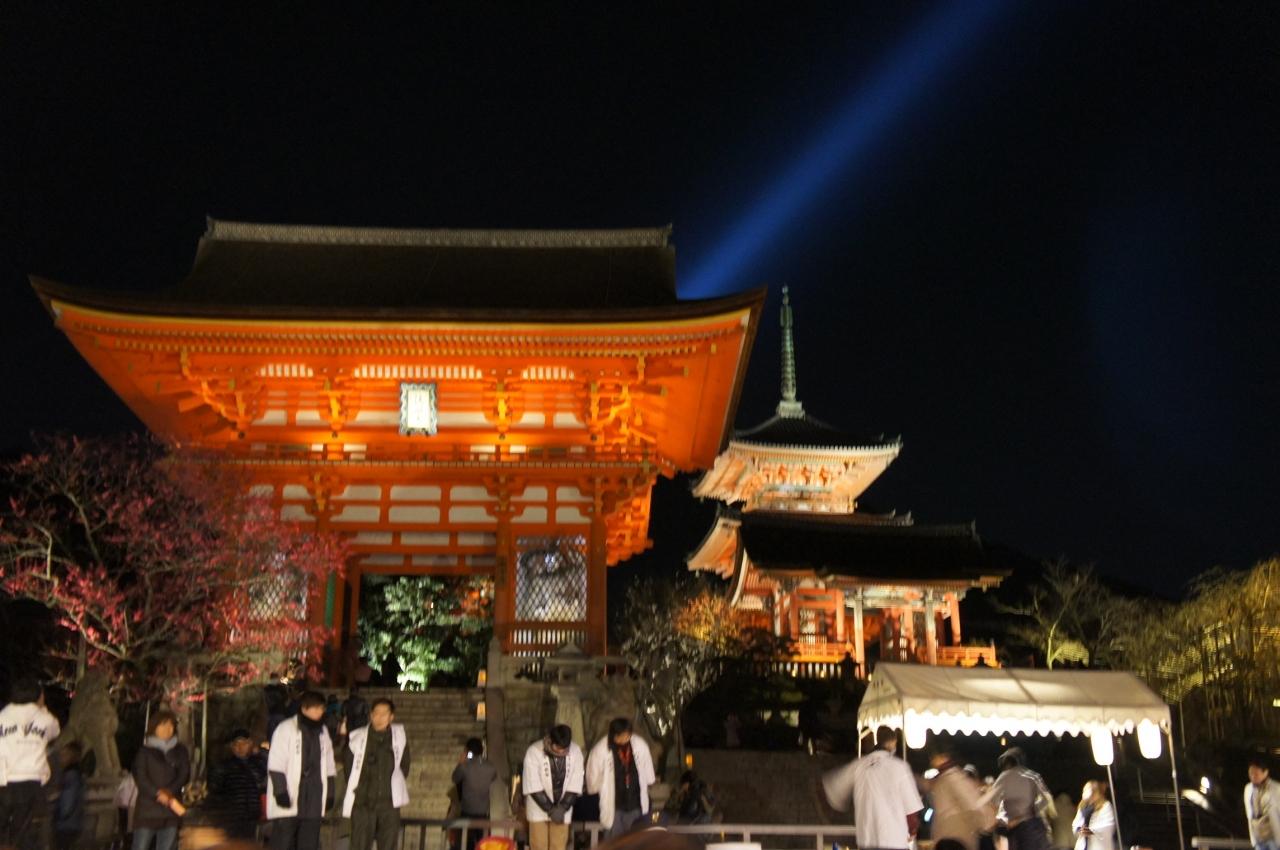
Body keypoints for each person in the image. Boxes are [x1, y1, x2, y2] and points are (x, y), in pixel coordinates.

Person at [822, 726, 923, 850]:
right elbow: (911, 809)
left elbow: (833, 789)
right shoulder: (899, 767)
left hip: (867, 840)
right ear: (893, 742)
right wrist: (912, 831)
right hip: (894, 840)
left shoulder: (858, 765)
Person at [267, 690, 337, 850]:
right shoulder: (286, 728)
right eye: (315, 708)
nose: (319, 712)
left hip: (314, 793)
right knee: (284, 841)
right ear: (304, 708)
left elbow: (329, 764)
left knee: (309, 841)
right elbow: (276, 762)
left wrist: (330, 793)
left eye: (321, 708)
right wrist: (280, 791)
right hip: (291, 791)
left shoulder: (323, 731)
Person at [0, 677, 61, 850]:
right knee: (23, 835)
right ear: (38, 695)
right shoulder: (45, 719)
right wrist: (42, 708)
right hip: (31, 781)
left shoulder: (2, 717)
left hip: (3, 779)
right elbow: (55, 731)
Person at [341, 697, 410, 850]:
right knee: (359, 844)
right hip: (363, 803)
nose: (379, 718)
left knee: (388, 845)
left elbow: (404, 766)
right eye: (376, 713)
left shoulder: (399, 738)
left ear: (391, 717)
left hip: (389, 803)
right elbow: (349, 769)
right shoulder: (356, 738)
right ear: (371, 715)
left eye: (384, 714)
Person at [586, 718, 656, 839]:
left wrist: (649, 780)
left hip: (635, 803)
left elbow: (648, 772)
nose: (624, 739)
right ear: (613, 734)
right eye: (621, 736)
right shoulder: (600, 749)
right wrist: (597, 787)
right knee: (614, 842)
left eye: (627, 736)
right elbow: (592, 778)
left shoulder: (640, 745)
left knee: (634, 841)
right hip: (613, 805)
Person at [132, 709, 191, 850]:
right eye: (163, 725)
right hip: (148, 810)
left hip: (171, 809)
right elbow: (141, 777)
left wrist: (169, 792)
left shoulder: (180, 750)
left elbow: (184, 774)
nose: (168, 729)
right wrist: (157, 793)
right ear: (154, 727)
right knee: (140, 846)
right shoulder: (145, 751)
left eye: (171, 725)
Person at [521, 724, 583, 850]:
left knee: (559, 846)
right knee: (538, 845)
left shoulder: (576, 751)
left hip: (562, 809)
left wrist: (562, 808)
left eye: (565, 749)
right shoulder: (534, 751)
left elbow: (576, 782)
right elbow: (533, 784)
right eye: (558, 748)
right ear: (551, 741)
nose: (561, 752)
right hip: (538, 808)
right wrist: (550, 809)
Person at [980, 747, 1054, 850]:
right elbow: (1046, 799)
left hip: (1015, 827)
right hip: (1032, 824)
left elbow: (994, 801)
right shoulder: (1032, 776)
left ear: (1006, 763)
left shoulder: (1005, 776)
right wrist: (1033, 809)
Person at [929, 747, 989, 850]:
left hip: (955, 838)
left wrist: (982, 824)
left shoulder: (953, 777)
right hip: (951, 836)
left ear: (945, 758)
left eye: (936, 757)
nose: (933, 761)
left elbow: (971, 804)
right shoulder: (944, 778)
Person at [210, 729, 266, 839]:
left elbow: (263, 778)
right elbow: (216, 791)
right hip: (232, 817)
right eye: (237, 744)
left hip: (252, 816)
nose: (240, 747)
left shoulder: (257, 764)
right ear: (232, 747)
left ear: (250, 744)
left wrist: (259, 751)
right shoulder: (224, 767)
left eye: (244, 743)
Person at [452, 736, 498, 847]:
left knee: (465, 844)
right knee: (484, 844)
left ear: (468, 751)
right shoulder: (491, 767)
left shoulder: (464, 767)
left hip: (467, 811)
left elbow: (455, 778)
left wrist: (460, 762)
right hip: (483, 812)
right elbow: (494, 778)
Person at [54, 742, 86, 850]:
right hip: (75, 823)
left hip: (66, 825)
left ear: (71, 757)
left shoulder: (70, 775)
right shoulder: (78, 774)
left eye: (64, 755)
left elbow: (68, 801)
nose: (61, 758)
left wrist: (59, 815)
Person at [1246, 756, 1280, 850]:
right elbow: (1249, 814)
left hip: (1274, 837)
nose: (1253, 776)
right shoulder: (1249, 789)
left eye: (1256, 773)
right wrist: (1253, 839)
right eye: (1251, 773)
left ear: (1265, 773)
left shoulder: (1276, 789)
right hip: (1258, 838)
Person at [1071, 781, 1115, 850]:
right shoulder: (1083, 806)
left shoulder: (1105, 806)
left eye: (1090, 790)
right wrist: (1079, 829)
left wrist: (1092, 831)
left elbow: (1108, 825)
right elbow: (1076, 823)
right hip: (1083, 845)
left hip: (1099, 846)